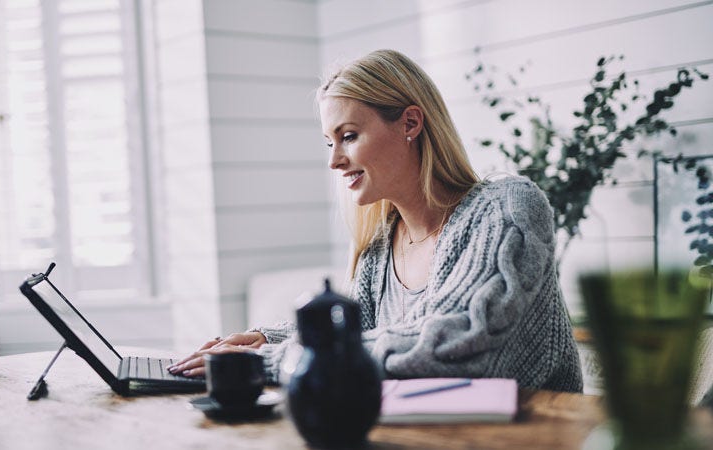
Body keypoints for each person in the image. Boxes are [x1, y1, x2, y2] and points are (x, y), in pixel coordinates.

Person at [168, 49, 583, 392]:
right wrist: (265, 340)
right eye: (329, 142)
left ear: (410, 123)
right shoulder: (383, 245)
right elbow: (362, 339)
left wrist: (273, 360)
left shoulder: (507, 207)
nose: (334, 160)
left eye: (348, 136)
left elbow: (456, 344)